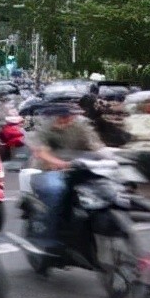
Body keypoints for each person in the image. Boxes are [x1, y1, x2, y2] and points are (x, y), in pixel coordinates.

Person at [28, 104, 105, 246]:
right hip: (48, 169)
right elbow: (41, 152)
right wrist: (60, 163)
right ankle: (47, 235)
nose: (66, 119)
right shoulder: (43, 128)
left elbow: (96, 145)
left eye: (69, 115)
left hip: (79, 166)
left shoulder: (80, 126)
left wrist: (106, 155)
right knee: (55, 191)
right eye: (62, 116)